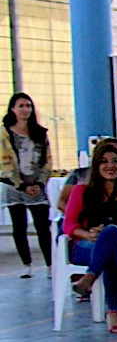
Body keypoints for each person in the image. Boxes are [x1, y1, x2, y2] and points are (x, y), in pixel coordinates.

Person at [63, 137, 117, 333]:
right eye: (104, 161)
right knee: (116, 255)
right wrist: (89, 235)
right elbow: (69, 225)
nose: (110, 166)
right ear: (96, 165)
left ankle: (89, 278)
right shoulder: (81, 191)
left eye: (115, 161)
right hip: (87, 245)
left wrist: (106, 233)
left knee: (112, 232)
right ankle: (112, 310)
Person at [2, 92, 53, 275]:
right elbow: (4, 162)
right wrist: (21, 184)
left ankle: (49, 265)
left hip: (36, 186)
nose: (25, 110)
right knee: (19, 226)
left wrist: (39, 183)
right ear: (13, 109)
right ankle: (27, 265)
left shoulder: (40, 133)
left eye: (28, 106)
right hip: (14, 186)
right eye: (21, 106)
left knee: (42, 226)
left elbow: (47, 161)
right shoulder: (5, 133)